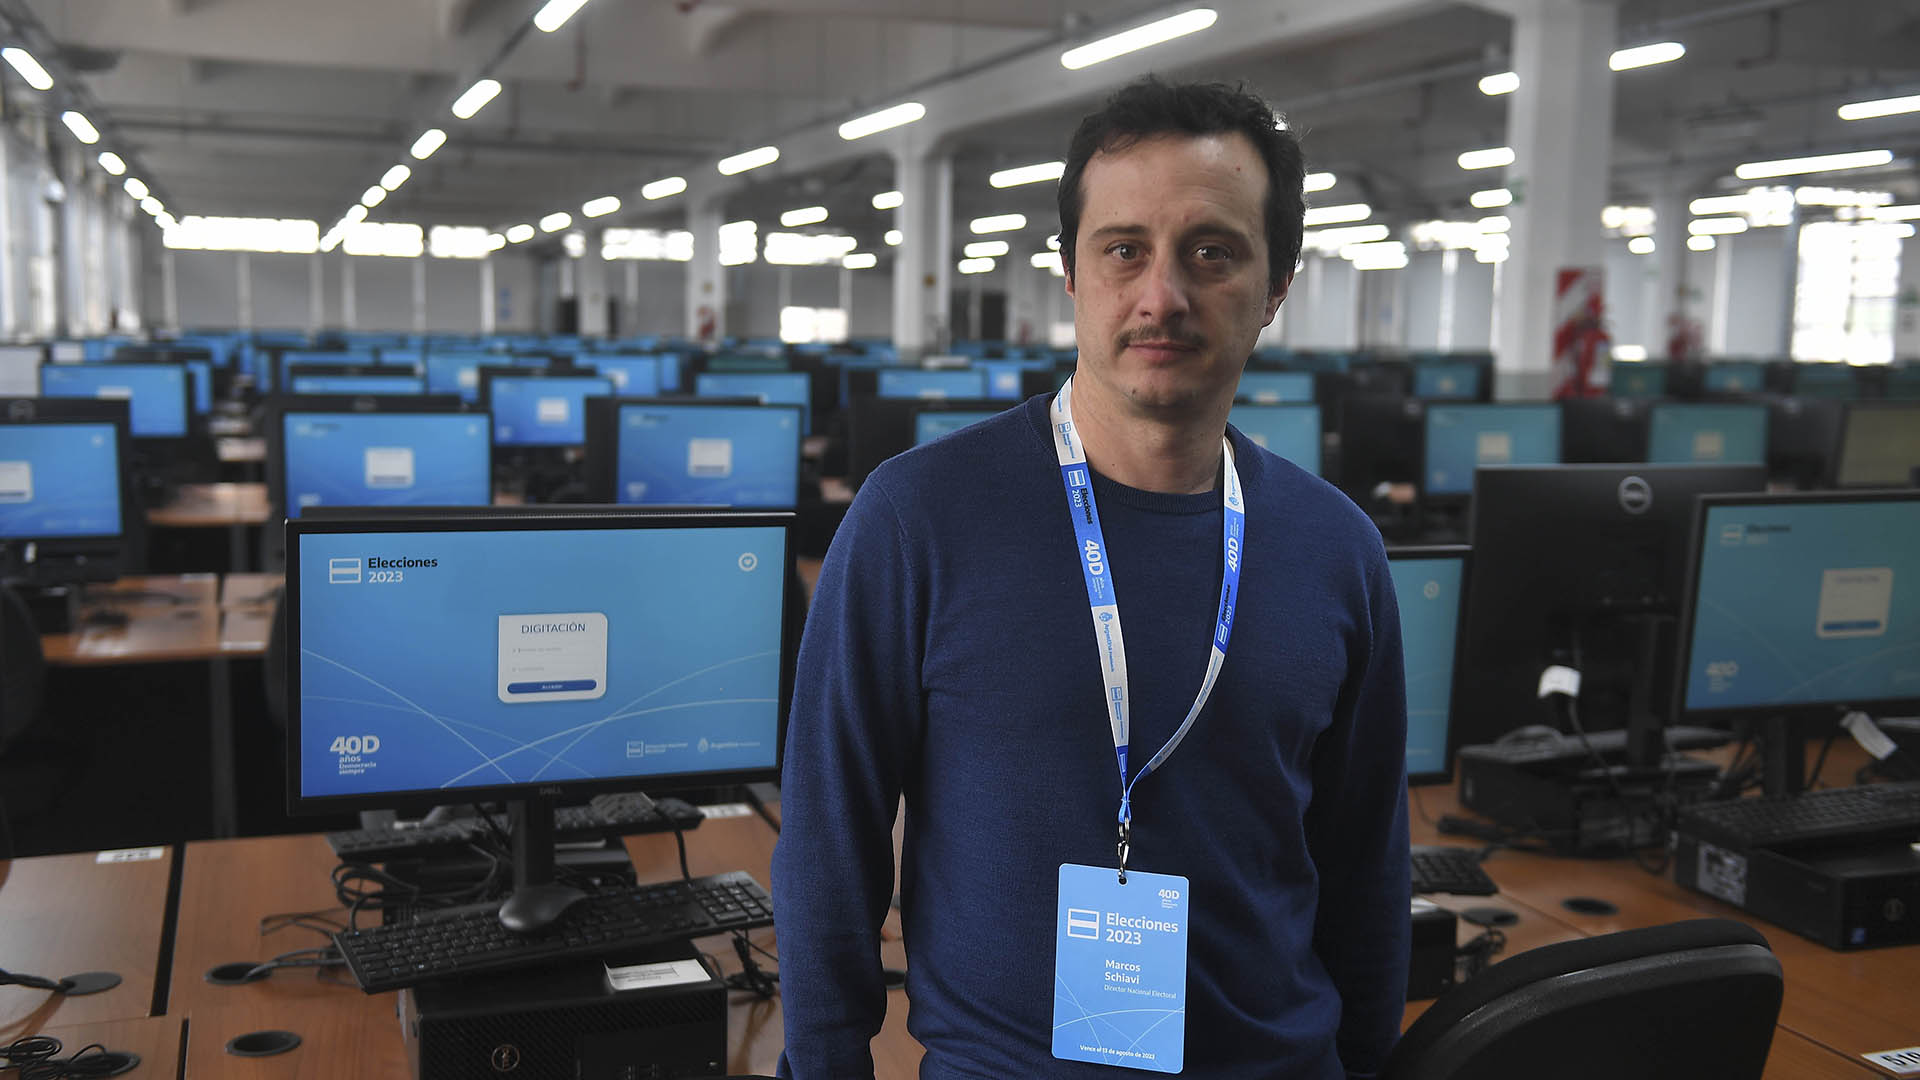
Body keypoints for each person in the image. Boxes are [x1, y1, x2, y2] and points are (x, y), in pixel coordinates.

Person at [774, 77, 1409, 1079]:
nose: (1162, 295)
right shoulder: (917, 517)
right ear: (1070, 274)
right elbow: (828, 838)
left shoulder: (1338, 549)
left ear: (1276, 287)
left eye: (1213, 251)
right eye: (1124, 250)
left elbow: (1366, 867)